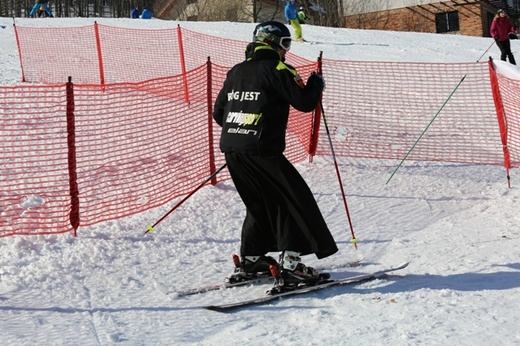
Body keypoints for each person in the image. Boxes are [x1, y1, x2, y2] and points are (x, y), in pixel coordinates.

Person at [213, 21, 338, 290]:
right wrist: (315, 84)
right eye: (285, 44)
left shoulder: (236, 71)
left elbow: (218, 114)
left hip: (234, 149)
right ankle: (291, 265)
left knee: (259, 202)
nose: (286, 50)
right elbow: (304, 103)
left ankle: (252, 258)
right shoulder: (278, 68)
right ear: (271, 43)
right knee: (291, 200)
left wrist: (242, 126)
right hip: (262, 149)